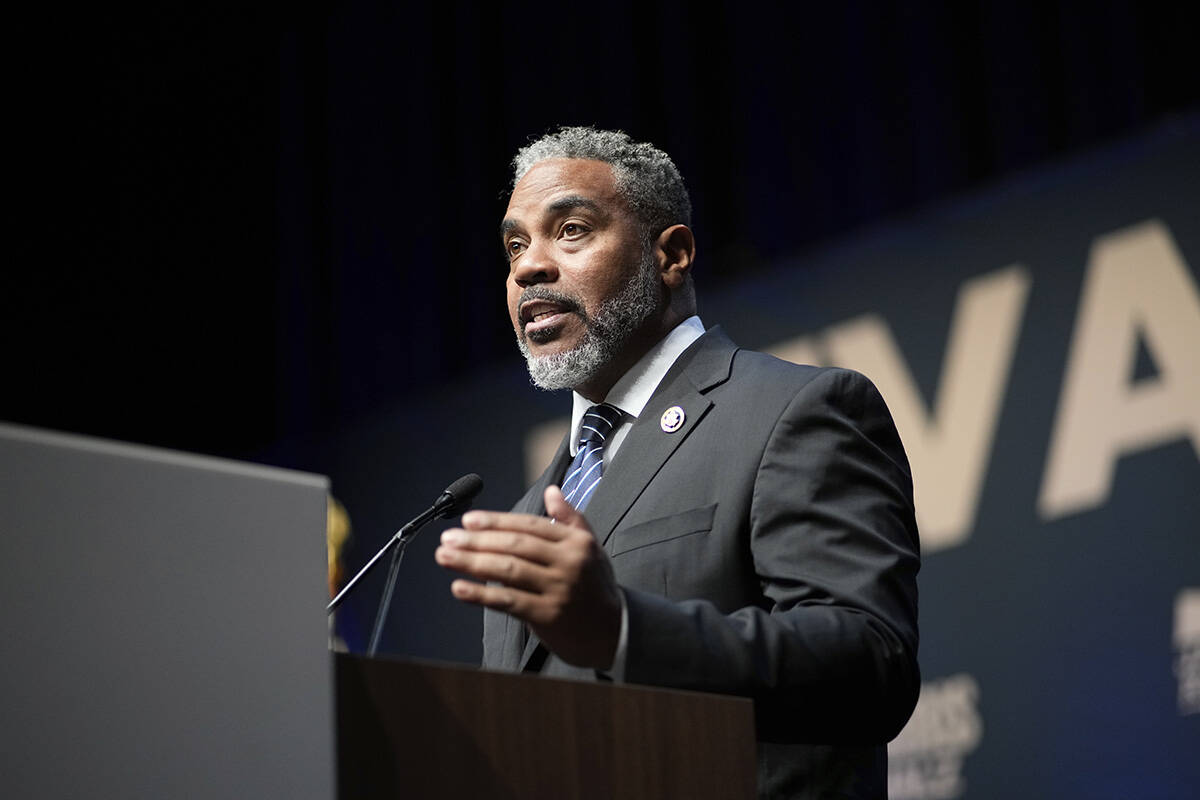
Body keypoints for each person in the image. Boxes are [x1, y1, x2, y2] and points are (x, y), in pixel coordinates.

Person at [435, 126, 920, 798]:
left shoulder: (793, 411)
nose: (528, 268)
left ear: (671, 254)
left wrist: (624, 630)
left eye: (571, 230)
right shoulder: (531, 512)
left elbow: (871, 663)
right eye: (515, 245)